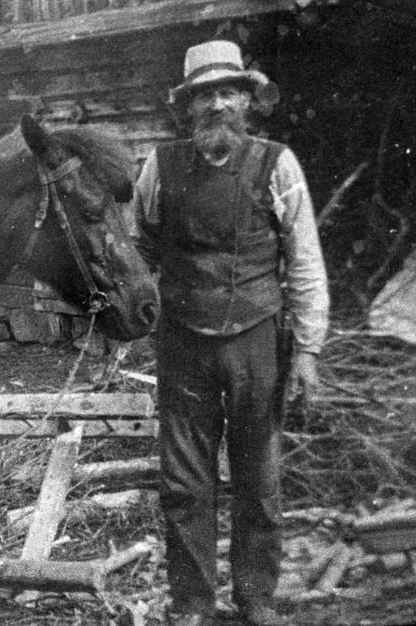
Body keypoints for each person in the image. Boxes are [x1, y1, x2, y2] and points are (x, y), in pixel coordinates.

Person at [132, 40, 328, 626]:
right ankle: (193, 603)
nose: (217, 105)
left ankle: (256, 598)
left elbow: (305, 261)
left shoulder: (277, 165)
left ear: (247, 100)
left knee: (259, 478)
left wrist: (309, 350)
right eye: (204, 96)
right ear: (188, 108)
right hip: (183, 342)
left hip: (256, 340)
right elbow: (140, 250)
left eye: (228, 92)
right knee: (185, 482)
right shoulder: (158, 168)